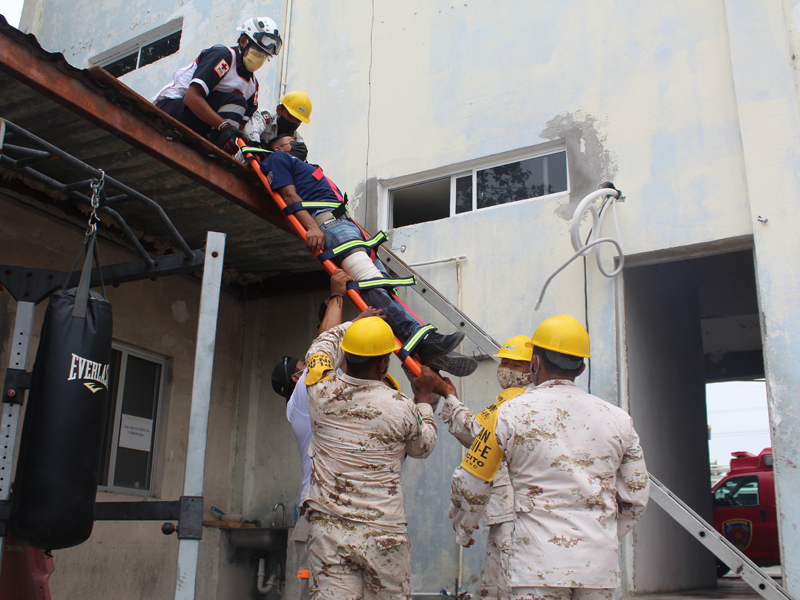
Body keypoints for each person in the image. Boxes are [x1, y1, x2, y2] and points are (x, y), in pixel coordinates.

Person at [449, 315, 650, 600]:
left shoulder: (509, 414)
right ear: (581, 368)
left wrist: (464, 527)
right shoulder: (619, 420)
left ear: (535, 362)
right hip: (597, 568)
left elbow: (471, 482)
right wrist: (601, 536)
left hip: (536, 566)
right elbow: (636, 498)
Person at [261, 134, 477, 377]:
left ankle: (424, 347)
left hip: (348, 226)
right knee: (369, 281)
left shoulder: (308, 167)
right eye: (291, 138)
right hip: (330, 224)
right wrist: (311, 226)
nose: (297, 141)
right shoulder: (278, 158)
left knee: (382, 287)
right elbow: (289, 196)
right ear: (277, 147)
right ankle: (422, 340)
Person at [303, 312, 446, 599]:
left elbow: (321, 346)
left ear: (346, 354)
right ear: (383, 364)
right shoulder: (400, 406)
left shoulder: (320, 390)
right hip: (383, 534)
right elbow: (423, 447)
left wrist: (354, 324)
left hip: (329, 532)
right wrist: (424, 400)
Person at [438, 335, 533, 600]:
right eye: (504, 362)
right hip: (506, 513)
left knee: (508, 587)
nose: (507, 369)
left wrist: (449, 396)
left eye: (516, 365)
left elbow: (475, 434)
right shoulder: (513, 400)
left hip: (515, 515)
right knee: (494, 587)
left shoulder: (513, 402)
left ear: (533, 369)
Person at [152, 17, 282, 154]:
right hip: (170, 108)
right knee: (237, 101)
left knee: (233, 126)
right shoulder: (223, 56)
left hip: (200, 123)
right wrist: (223, 126)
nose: (261, 57)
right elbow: (191, 97)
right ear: (243, 41)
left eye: (265, 55)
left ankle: (216, 154)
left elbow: (238, 127)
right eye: (258, 51)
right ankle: (217, 152)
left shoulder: (252, 87)